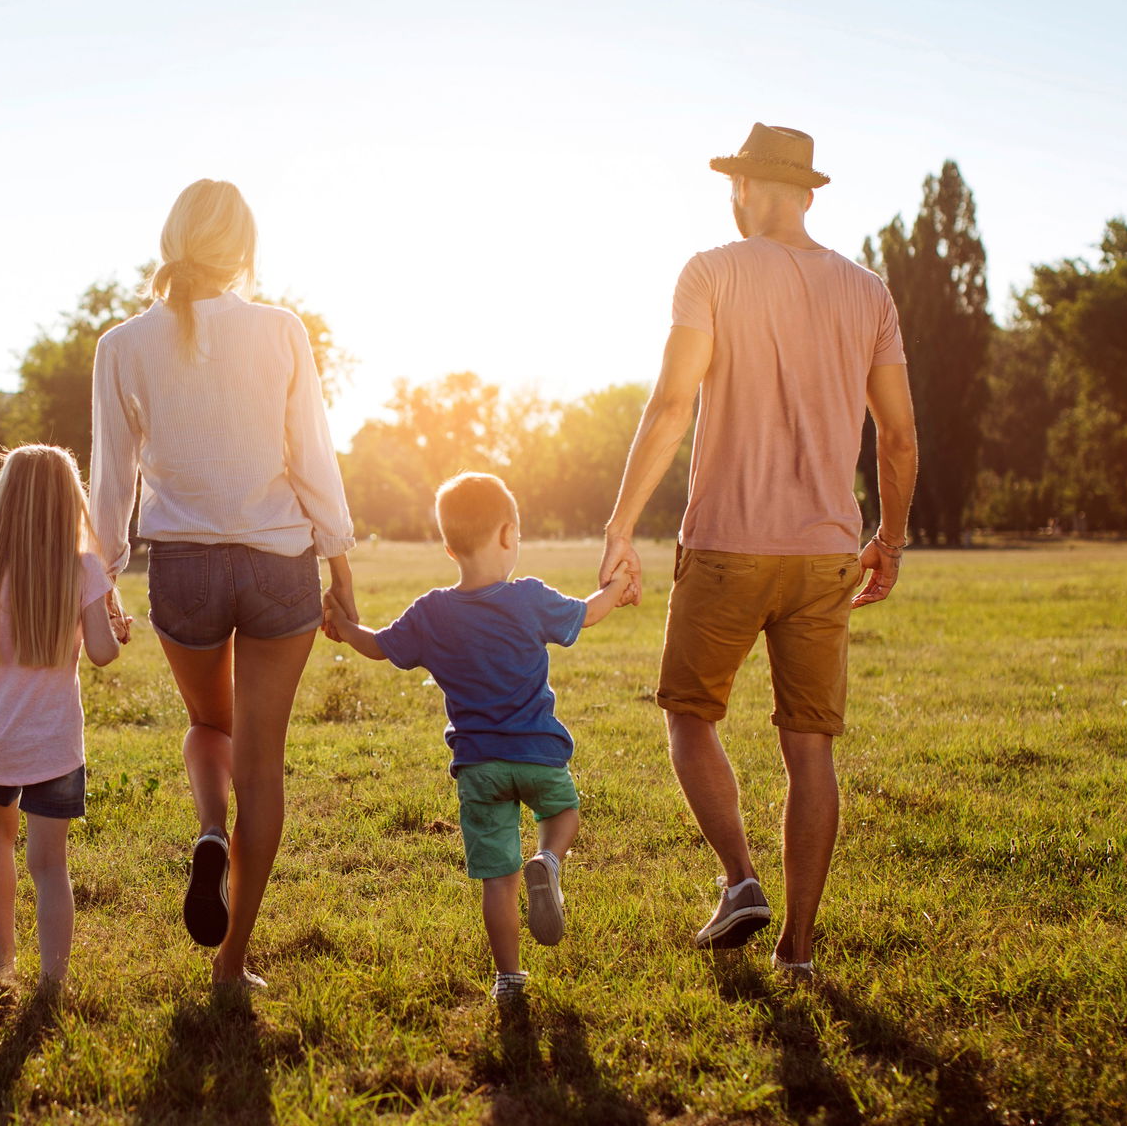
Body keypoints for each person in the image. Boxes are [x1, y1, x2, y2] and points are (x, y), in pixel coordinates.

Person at [599, 123, 919, 978]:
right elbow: (897, 434)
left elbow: (670, 407)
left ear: (745, 189)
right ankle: (799, 950)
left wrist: (620, 524)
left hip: (726, 546)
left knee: (688, 716)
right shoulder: (869, 292)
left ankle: (741, 877)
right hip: (826, 555)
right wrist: (888, 537)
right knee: (809, 749)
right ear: (807, 193)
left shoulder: (711, 271)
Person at [89, 179, 359, 991]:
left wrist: (102, 574)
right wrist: (340, 561)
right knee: (264, 765)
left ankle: (210, 831)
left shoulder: (121, 343)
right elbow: (313, 454)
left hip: (186, 568)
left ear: (172, 240)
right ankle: (232, 961)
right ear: (241, 247)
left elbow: (113, 479)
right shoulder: (280, 329)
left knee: (211, 725)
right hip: (280, 565)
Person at [323, 473, 632, 1003]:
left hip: (478, 767)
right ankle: (551, 861)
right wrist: (618, 589)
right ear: (509, 534)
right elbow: (590, 613)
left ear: (448, 547)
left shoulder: (432, 613)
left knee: (498, 878)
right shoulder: (530, 599)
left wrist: (342, 628)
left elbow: (378, 646)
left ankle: (508, 978)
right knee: (562, 816)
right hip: (538, 754)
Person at [0, 444, 130, 998]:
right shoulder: (82, 568)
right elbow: (102, 653)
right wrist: (115, 630)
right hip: (54, 743)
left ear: (4, 499)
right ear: (67, 501)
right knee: (50, 863)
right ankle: (53, 980)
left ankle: (2, 957)